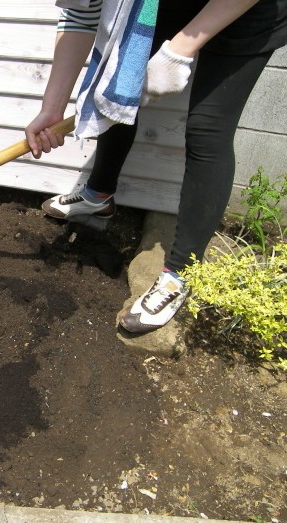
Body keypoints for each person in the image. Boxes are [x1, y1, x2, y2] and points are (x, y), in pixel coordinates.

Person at [25, 0, 287, 333]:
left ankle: (180, 274)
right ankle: (98, 196)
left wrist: (180, 50)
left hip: (246, 11)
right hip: (156, 5)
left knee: (207, 129)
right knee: (119, 85)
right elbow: (81, 13)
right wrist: (53, 107)